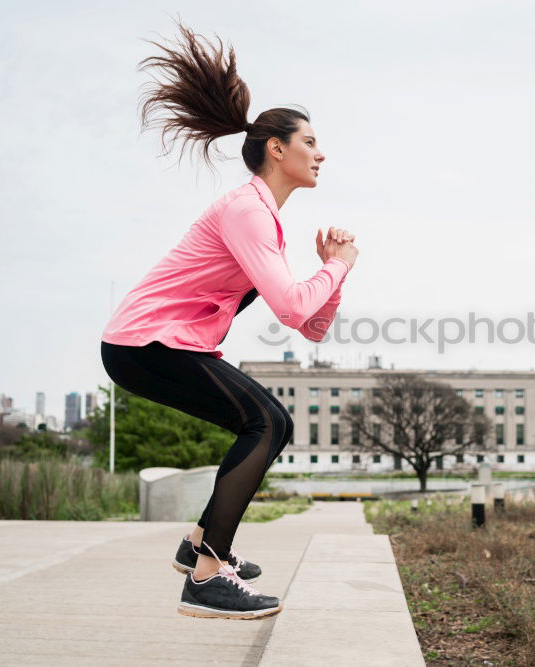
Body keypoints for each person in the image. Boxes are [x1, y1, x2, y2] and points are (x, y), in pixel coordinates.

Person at [100, 21, 359, 620]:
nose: (321, 154)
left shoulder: (262, 219)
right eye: (311, 141)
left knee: (270, 421)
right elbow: (297, 306)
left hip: (160, 345)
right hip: (145, 342)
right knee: (267, 422)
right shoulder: (246, 209)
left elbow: (311, 327)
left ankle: (200, 549)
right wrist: (339, 266)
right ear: (278, 147)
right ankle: (208, 573)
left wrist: (332, 271)